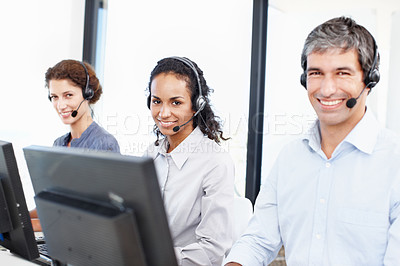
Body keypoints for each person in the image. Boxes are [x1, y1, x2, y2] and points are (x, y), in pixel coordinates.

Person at [225, 17, 400, 265]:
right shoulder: (289, 159)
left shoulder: (394, 163)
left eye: (342, 73)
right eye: (316, 73)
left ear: (369, 80)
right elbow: (258, 241)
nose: (327, 90)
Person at [144, 56, 235, 265]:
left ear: (197, 105)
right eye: (157, 101)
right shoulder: (151, 155)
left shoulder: (215, 163)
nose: (163, 113)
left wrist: (152, 258)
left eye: (176, 102)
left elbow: (212, 250)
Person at [30, 59, 120, 231]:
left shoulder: (104, 144)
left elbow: (93, 217)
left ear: (88, 94)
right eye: (54, 97)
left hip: (87, 246)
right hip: (62, 240)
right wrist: (17, 219)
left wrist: (29, 225)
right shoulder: (59, 143)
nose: (60, 105)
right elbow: (52, 205)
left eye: (68, 95)